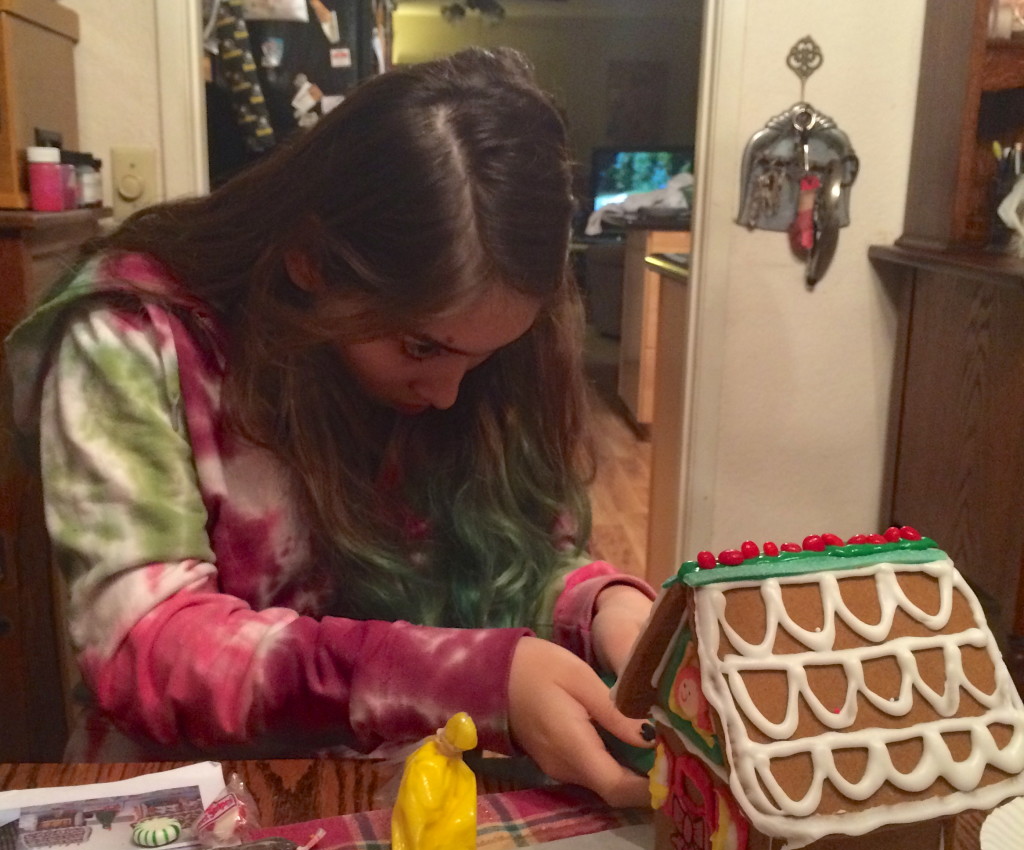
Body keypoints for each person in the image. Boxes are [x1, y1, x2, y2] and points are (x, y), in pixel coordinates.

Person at [4, 47, 656, 806]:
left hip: (401, 795)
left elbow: (504, 558)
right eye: (421, 346)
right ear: (310, 261)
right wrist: (463, 678)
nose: (449, 393)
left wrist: (598, 604)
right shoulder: (132, 336)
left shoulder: (468, 371)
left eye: (482, 359)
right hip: (182, 811)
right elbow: (149, 648)